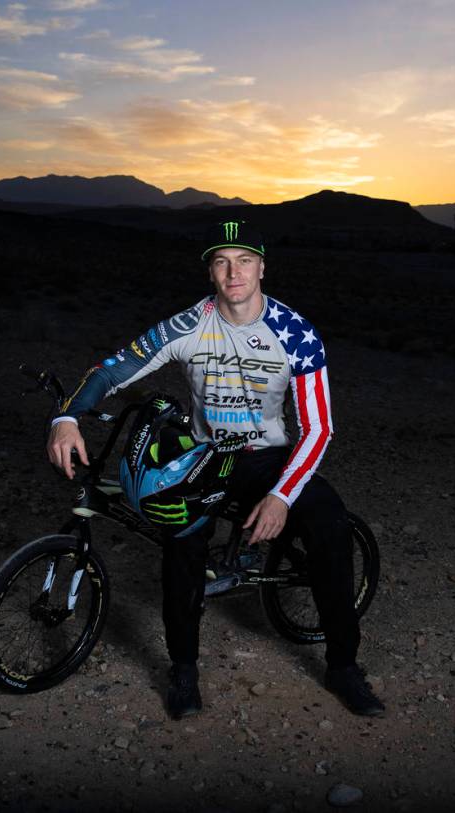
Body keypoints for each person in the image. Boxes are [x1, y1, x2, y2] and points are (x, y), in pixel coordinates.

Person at [46, 220, 385, 719]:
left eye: (244, 261)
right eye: (222, 262)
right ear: (210, 271)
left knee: (329, 523)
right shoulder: (187, 325)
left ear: (262, 267)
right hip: (206, 454)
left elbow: (317, 428)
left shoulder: (295, 333)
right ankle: (183, 670)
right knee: (180, 542)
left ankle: (344, 667)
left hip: (268, 458)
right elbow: (112, 370)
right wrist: (66, 417)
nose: (233, 273)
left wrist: (282, 496)